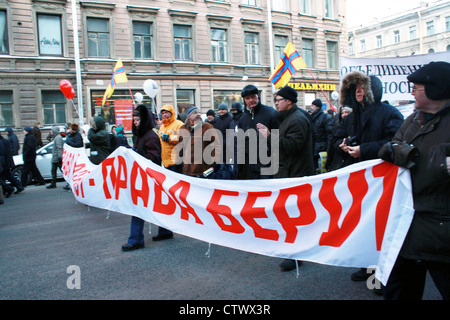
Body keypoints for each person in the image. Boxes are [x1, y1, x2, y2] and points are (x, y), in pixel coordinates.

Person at [378, 61, 450, 300]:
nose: (411, 92)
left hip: (441, 232)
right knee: (398, 291)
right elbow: (391, 146)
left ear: (435, 89)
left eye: (416, 87)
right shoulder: (413, 119)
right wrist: (402, 153)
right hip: (406, 226)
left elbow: (435, 169)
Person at [333, 71, 404, 283]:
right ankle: (367, 266)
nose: (358, 92)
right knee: (362, 224)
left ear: (374, 91)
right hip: (358, 178)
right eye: (355, 88)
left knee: (381, 227)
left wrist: (364, 149)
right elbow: (336, 137)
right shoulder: (351, 116)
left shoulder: (390, 113)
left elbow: (394, 142)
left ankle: (382, 275)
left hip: (382, 180)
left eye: (362, 88)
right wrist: (342, 144)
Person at [122, 104, 161, 251]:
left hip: (148, 178)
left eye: (137, 119)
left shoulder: (150, 136)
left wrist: (136, 155)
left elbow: (155, 158)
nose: (135, 122)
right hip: (142, 177)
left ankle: (136, 239)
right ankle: (165, 231)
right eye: (134, 119)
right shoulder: (140, 134)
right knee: (154, 206)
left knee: (138, 208)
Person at [237, 84, 279, 179]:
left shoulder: (271, 113)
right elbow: (239, 144)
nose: (251, 100)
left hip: (268, 165)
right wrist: (238, 165)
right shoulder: (242, 118)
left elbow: (279, 140)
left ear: (258, 96)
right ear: (244, 100)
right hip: (249, 167)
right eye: (247, 98)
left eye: (253, 97)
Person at [155, 104, 184, 241]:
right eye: (163, 113)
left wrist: (171, 139)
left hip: (177, 163)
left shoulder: (179, 124)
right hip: (165, 163)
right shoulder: (162, 126)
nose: (165, 115)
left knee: (175, 193)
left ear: (172, 113)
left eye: (167, 113)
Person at [177, 106, 221, 178]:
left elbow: (216, 145)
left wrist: (216, 161)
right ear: (189, 116)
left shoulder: (207, 127)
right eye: (195, 113)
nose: (198, 114)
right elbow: (180, 147)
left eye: (199, 112)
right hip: (187, 170)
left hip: (204, 169)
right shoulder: (183, 128)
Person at [325, 106, 352, 172]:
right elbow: (332, 145)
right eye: (342, 113)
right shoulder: (338, 125)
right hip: (338, 162)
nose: (344, 115)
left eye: (347, 112)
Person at [309, 99, 332, 173]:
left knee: (322, 170)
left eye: (312, 105)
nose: (311, 107)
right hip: (313, 148)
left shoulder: (325, 117)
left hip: (322, 149)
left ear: (317, 107)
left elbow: (329, 134)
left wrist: (328, 149)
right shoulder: (311, 117)